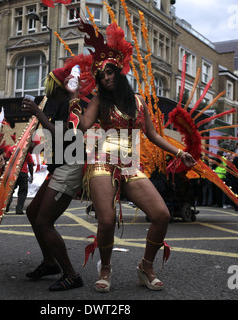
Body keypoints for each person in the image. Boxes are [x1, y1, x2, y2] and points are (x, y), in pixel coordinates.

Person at [69, 21, 196, 292]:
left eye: (110, 73)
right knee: (106, 220)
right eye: (102, 76)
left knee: (161, 215)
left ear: (119, 73)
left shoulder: (138, 101)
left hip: (130, 165)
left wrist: (180, 152)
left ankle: (145, 267)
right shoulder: (98, 101)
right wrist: (72, 103)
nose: (106, 78)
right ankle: (105, 268)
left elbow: (153, 134)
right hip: (103, 161)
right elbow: (83, 125)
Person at [18, 62, 88, 291]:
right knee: (32, 212)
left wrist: (38, 113)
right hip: (57, 166)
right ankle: (50, 263)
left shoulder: (72, 105)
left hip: (70, 166)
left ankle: (71, 274)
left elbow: (65, 135)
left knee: (44, 222)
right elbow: (49, 136)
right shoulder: (57, 104)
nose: (49, 90)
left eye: (52, 86)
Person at [5, 145, 34, 214]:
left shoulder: (10, 149)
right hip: (23, 173)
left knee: (10, 191)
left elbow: (6, 161)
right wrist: (31, 175)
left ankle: (6, 207)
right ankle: (19, 209)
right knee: (23, 192)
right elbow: (30, 164)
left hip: (12, 173)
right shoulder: (26, 151)